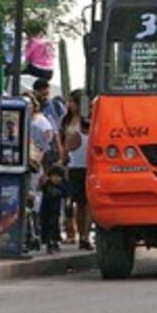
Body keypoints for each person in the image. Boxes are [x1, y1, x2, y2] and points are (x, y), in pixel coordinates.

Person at [62, 90, 93, 250]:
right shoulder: (67, 121)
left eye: (72, 102)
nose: (69, 105)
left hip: (87, 165)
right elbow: (65, 144)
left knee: (87, 204)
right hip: (73, 165)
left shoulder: (88, 121)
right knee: (77, 203)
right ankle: (79, 232)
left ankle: (85, 235)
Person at [39, 165, 67, 254]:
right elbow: (40, 187)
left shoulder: (62, 187)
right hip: (45, 210)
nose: (56, 179)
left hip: (56, 211)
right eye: (54, 176)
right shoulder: (47, 185)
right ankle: (48, 243)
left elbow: (68, 194)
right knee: (46, 226)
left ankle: (54, 242)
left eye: (58, 177)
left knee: (55, 226)